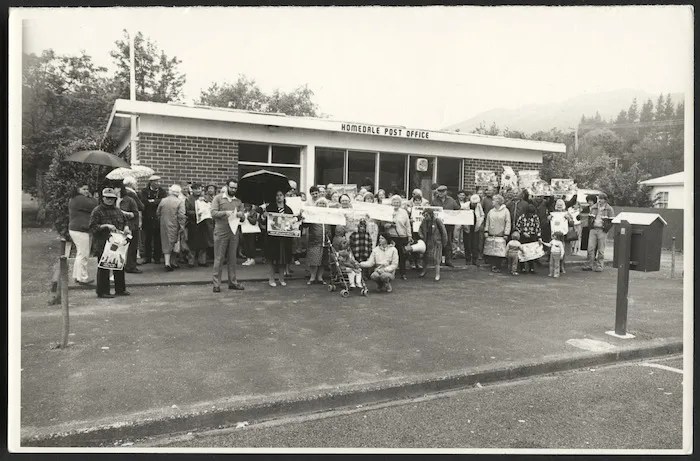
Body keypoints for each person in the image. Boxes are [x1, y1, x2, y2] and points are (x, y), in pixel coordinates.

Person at [88, 188, 131, 298]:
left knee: (119, 266)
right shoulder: (97, 211)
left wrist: (126, 227)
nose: (110, 200)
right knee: (104, 267)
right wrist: (105, 226)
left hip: (117, 242)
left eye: (112, 198)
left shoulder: (117, 210)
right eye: (107, 198)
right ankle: (103, 291)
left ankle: (120, 289)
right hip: (103, 242)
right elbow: (92, 227)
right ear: (103, 198)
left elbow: (125, 220)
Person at [210, 178, 246, 292]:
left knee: (232, 258)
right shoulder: (218, 198)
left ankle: (233, 282)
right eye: (231, 187)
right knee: (219, 258)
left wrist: (241, 214)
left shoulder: (239, 201)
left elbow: (244, 217)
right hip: (221, 230)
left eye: (235, 188)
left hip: (234, 231)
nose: (233, 190)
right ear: (227, 186)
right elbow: (213, 213)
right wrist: (225, 213)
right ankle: (216, 284)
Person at [259, 190, 296, 287]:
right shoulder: (270, 208)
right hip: (272, 238)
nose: (279, 197)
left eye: (281, 195)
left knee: (282, 259)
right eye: (277, 195)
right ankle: (271, 279)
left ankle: (281, 279)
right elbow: (262, 222)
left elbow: (292, 223)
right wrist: (263, 216)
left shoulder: (288, 209)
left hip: (284, 239)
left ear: (284, 197)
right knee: (271, 258)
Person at [68, 184, 98, 284]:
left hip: (77, 229)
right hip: (80, 229)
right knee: (84, 254)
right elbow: (94, 205)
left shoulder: (75, 199)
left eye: (87, 189)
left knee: (80, 253)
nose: (86, 191)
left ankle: (77, 275)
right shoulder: (80, 199)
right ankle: (83, 277)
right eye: (84, 189)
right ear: (78, 190)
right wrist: (92, 197)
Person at [157, 184, 186, 271]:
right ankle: (170, 263)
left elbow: (158, 212)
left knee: (166, 242)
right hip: (175, 224)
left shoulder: (163, 200)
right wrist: (182, 226)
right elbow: (181, 215)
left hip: (164, 224)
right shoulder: (180, 202)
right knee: (174, 243)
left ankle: (169, 262)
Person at [582, 193, 614, 272]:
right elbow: (589, 218)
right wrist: (590, 227)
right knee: (590, 248)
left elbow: (611, 221)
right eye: (599, 198)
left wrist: (606, 229)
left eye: (602, 199)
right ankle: (590, 265)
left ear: (605, 200)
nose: (600, 200)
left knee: (601, 249)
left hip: (602, 230)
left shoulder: (609, 209)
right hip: (593, 229)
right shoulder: (594, 207)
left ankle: (600, 265)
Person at [139, 175, 167, 264]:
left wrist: (152, 201)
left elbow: (163, 201)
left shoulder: (162, 191)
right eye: (156, 182)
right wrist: (154, 201)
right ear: (151, 182)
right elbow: (144, 201)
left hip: (158, 218)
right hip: (147, 218)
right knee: (147, 239)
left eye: (159, 182)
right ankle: (147, 257)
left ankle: (157, 257)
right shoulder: (144, 191)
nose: (158, 183)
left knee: (158, 239)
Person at [304, 197, 332, 285]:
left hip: (326, 241)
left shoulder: (329, 215)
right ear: (317, 205)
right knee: (314, 260)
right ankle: (312, 277)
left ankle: (320, 277)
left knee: (323, 261)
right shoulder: (312, 214)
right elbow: (305, 224)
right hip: (314, 241)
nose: (322, 205)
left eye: (324, 204)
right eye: (320, 203)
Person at [431, 185, 460, 267]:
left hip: (448, 225)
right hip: (438, 225)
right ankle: (438, 260)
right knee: (438, 243)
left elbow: (457, 210)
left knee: (448, 242)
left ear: (446, 192)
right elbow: (431, 211)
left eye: (442, 191)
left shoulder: (451, 200)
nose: (440, 193)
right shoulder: (434, 201)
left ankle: (448, 260)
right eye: (439, 191)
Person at [383, 195, 411, 280]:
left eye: (398, 202)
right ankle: (389, 273)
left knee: (402, 255)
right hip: (391, 236)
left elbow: (408, 225)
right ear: (391, 203)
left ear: (400, 203)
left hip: (402, 236)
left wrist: (409, 235)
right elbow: (383, 225)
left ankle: (403, 273)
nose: (396, 204)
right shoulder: (387, 211)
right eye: (394, 202)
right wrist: (389, 225)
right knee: (390, 256)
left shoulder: (404, 212)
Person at [183, 183, 211, 268]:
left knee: (203, 243)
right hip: (193, 223)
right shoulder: (189, 199)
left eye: (200, 189)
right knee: (192, 243)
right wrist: (196, 213)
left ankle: (202, 261)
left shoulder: (204, 198)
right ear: (193, 190)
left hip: (203, 223)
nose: (198, 190)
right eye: (196, 189)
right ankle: (191, 261)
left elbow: (209, 207)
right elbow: (187, 211)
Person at [119, 179, 143, 274]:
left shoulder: (122, 197)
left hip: (128, 224)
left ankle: (130, 263)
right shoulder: (131, 195)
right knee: (132, 245)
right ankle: (131, 266)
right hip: (132, 224)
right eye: (136, 183)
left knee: (129, 245)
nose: (137, 185)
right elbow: (140, 206)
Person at [417, 208, 448, 281]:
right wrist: (421, 235)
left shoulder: (437, 221)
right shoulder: (424, 221)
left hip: (436, 242)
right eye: (424, 215)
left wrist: (444, 243)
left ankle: (437, 275)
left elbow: (444, 232)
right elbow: (420, 229)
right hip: (427, 241)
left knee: (436, 258)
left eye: (426, 215)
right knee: (425, 258)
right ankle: (424, 271)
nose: (425, 216)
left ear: (431, 214)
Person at [484, 194, 511, 273]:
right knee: (492, 251)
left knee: (499, 251)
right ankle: (493, 265)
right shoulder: (491, 211)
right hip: (491, 234)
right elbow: (487, 222)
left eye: (494, 200)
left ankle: (498, 266)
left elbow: (508, 222)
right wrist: (486, 231)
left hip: (501, 234)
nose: (492, 202)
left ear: (498, 201)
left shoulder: (506, 211)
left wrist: (506, 233)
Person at [549, 199, 576, 274]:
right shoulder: (553, 213)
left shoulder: (566, 213)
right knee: (554, 250)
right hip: (554, 235)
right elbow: (547, 224)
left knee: (562, 251)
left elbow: (572, 223)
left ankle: (562, 266)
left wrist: (569, 219)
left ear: (563, 205)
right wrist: (549, 219)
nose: (559, 206)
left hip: (563, 235)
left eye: (560, 205)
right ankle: (554, 266)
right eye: (558, 204)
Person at [515, 203, 542, 274]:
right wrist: (523, 232)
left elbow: (538, 227)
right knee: (523, 251)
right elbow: (517, 226)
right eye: (530, 213)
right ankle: (522, 267)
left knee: (532, 252)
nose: (531, 215)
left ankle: (531, 267)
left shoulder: (535, 217)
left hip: (532, 236)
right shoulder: (522, 217)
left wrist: (539, 237)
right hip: (523, 236)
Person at [463, 194, 485, 266]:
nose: (475, 205)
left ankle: (474, 260)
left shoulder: (479, 206)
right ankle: (468, 259)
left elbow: (482, 215)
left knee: (475, 244)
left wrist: (479, 223)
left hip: (475, 227)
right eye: (473, 203)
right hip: (467, 226)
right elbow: (461, 215)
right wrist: (464, 225)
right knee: (467, 244)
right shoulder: (465, 206)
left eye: (476, 203)